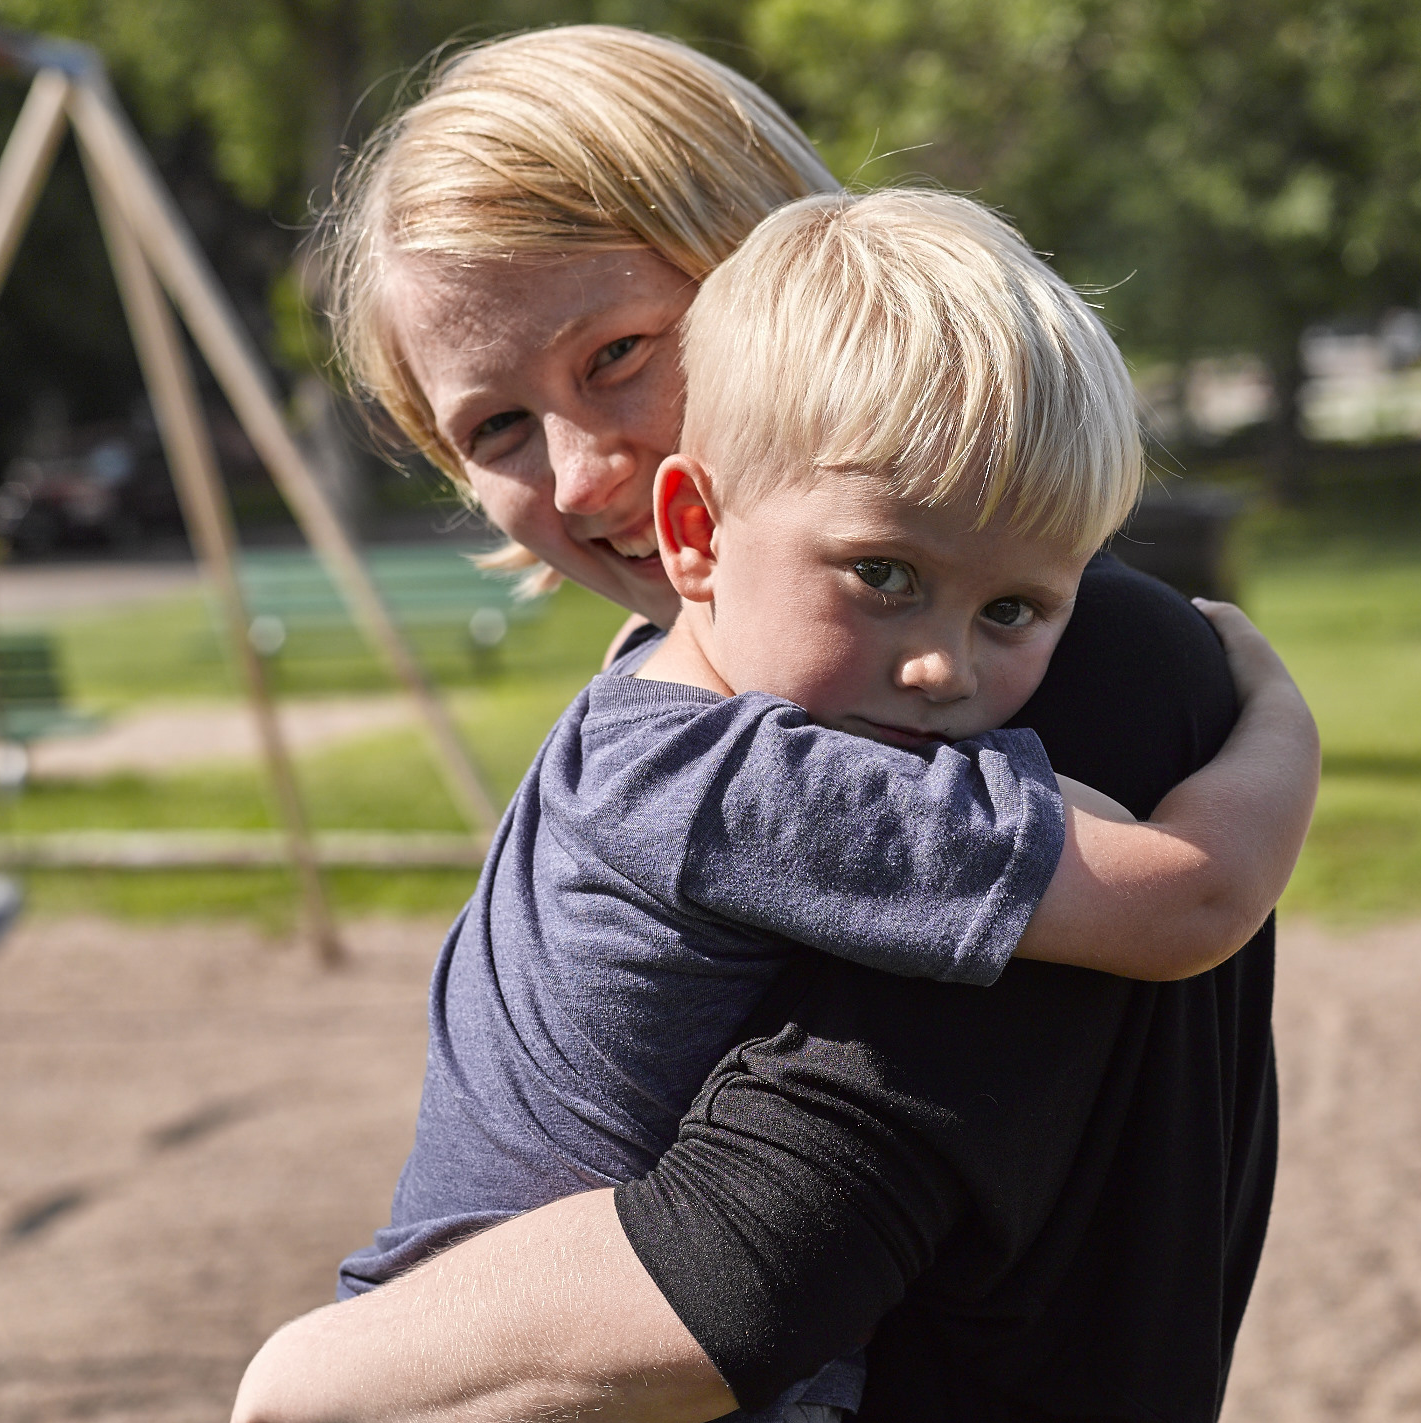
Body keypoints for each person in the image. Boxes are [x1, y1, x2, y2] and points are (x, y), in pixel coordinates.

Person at [234, 26, 1290, 1423]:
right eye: (493, 432)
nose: (587, 470)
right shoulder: (742, 728)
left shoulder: (1052, 663)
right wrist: (1276, 714)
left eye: (617, 351)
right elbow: (1179, 887)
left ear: (772, 267)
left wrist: (314, 1377)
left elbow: (746, 1275)